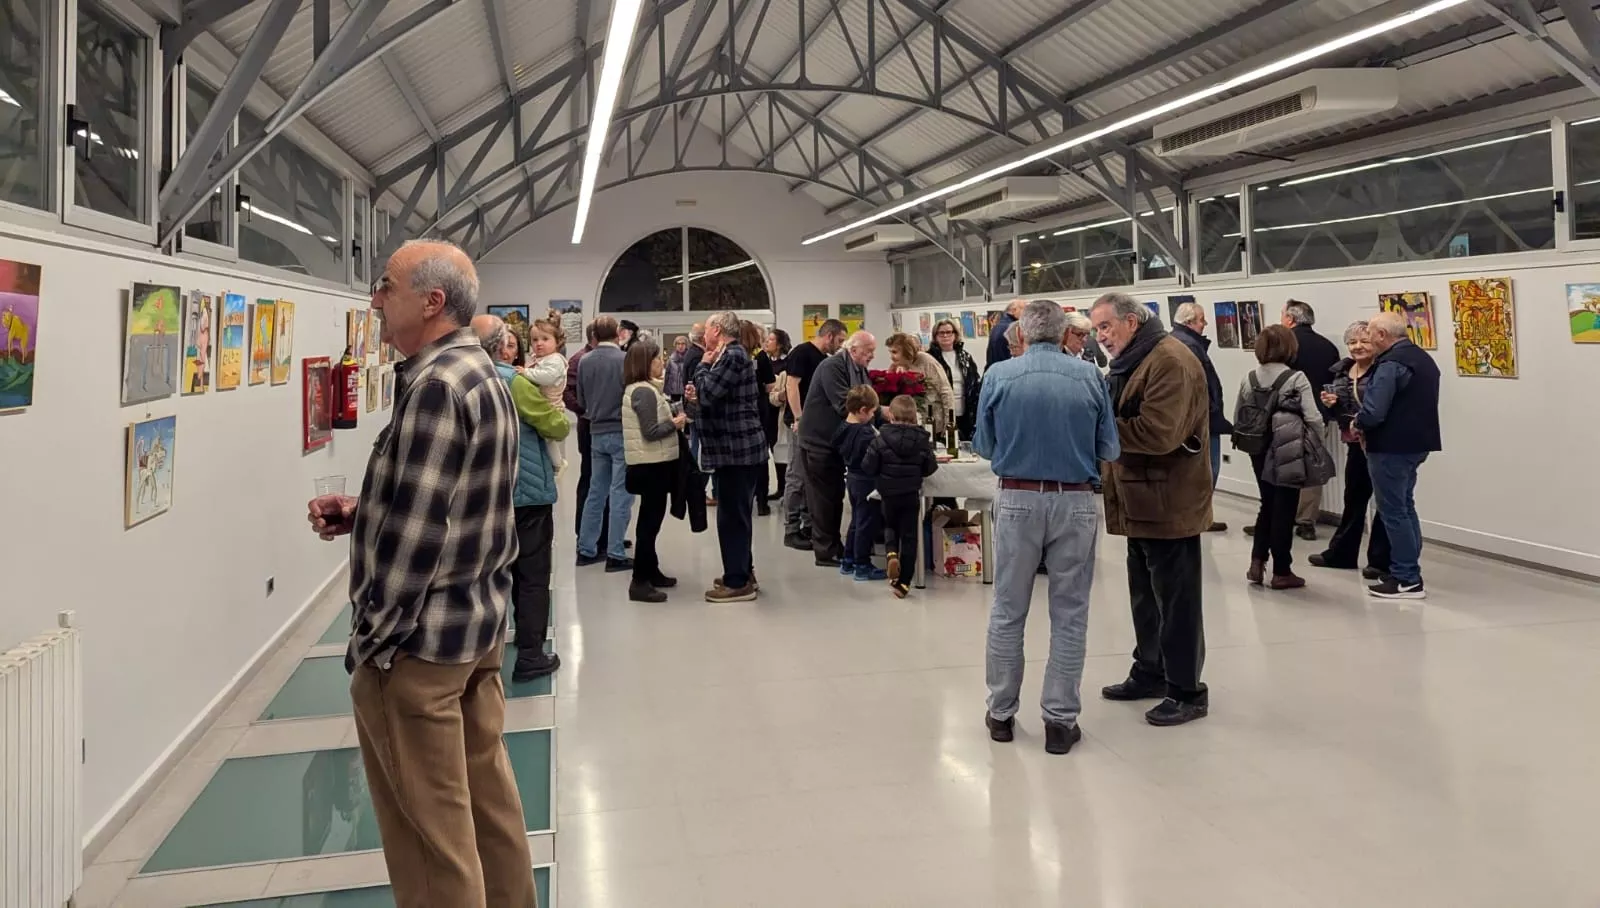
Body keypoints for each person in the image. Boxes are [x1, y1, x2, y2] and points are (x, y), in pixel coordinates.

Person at [307, 240, 536, 908]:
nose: (375, 300)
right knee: (490, 815)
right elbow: (452, 503)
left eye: (387, 286)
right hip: (477, 634)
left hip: (422, 652)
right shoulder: (482, 373)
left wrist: (375, 644)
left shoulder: (435, 387)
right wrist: (365, 509)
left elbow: (418, 543)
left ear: (432, 302)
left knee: (433, 849)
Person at [974, 300, 1119, 755]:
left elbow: (983, 444)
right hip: (1075, 499)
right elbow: (1109, 448)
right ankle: (1059, 720)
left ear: (1019, 336)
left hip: (1016, 496)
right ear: (1064, 335)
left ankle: (1000, 713)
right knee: (1070, 612)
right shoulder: (1091, 377)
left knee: (1007, 609)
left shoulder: (998, 376)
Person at [1090, 292, 1213, 728]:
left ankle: (1186, 690)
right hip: (1140, 500)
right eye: (1096, 328)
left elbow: (1158, 433)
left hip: (1168, 501)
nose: (1100, 336)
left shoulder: (1170, 361)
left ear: (1132, 321)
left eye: (1106, 326)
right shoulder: (1132, 361)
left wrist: (1095, 427)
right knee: (1145, 596)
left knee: (1177, 601)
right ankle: (1150, 671)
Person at [471, 314, 568, 683]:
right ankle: (531, 655)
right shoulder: (517, 382)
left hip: (483, 497)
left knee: (487, 577)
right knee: (531, 577)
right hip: (526, 495)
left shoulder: (468, 380)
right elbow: (556, 425)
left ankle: (483, 653)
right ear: (501, 348)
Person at [1355, 310, 1441, 600]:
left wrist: (1357, 423)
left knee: (1393, 511)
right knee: (1405, 506)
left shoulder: (1391, 364)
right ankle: (1407, 570)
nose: (1366, 339)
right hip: (1418, 444)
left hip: (1391, 446)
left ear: (1382, 335)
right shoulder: (1423, 359)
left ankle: (1407, 579)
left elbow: (1374, 411)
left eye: (1369, 334)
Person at [1234, 324, 1326, 590]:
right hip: (1288, 447)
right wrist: (1317, 440)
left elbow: (1239, 412)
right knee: (1285, 507)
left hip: (1258, 448)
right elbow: (1313, 417)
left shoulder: (1249, 377)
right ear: (1289, 348)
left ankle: (1256, 562)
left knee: (1267, 503)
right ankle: (1282, 571)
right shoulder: (1296, 378)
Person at [687, 311, 769, 602]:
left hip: (737, 451)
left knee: (732, 518)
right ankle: (742, 571)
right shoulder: (729, 355)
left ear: (717, 329)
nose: (703, 336)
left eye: (707, 329)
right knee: (737, 515)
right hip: (733, 450)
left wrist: (701, 367)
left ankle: (738, 582)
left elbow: (707, 393)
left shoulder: (731, 356)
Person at [1310, 321, 1392, 578]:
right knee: (1353, 500)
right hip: (1355, 443)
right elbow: (1341, 413)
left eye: (1363, 341)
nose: (1358, 347)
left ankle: (1380, 560)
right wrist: (1332, 404)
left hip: (1381, 444)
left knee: (1385, 503)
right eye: (1352, 342)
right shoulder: (1343, 372)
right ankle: (1342, 553)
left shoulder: (1383, 371)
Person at [797, 330, 876, 566]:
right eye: (868, 351)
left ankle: (836, 546)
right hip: (818, 441)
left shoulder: (858, 367)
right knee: (823, 498)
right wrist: (880, 413)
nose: (871, 356)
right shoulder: (832, 367)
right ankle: (826, 551)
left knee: (834, 495)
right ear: (853, 350)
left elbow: (867, 399)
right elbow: (847, 404)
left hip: (835, 442)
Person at [621, 336, 688, 603]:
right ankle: (639, 581)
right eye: (658, 359)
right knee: (648, 525)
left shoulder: (646, 389)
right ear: (645, 364)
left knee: (652, 522)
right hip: (650, 466)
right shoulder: (643, 392)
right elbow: (650, 432)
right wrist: (676, 423)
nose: (662, 362)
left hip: (652, 465)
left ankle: (651, 570)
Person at [860, 394, 937, 599]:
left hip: (888, 492)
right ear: (914, 417)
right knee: (910, 537)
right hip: (910, 494)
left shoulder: (880, 439)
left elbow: (868, 466)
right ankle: (903, 583)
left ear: (890, 416)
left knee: (890, 526)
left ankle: (891, 553)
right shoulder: (922, 441)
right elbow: (930, 467)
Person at [782, 318, 848, 550]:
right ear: (829, 335)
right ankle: (791, 529)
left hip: (814, 428)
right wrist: (799, 417)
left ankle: (808, 526)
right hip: (800, 424)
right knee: (797, 476)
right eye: (839, 340)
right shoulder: (802, 353)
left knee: (810, 480)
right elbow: (792, 386)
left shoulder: (825, 360)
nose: (840, 345)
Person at [576, 316, 633, 571]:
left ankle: (586, 549)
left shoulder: (584, 361)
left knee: (595, 491)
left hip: (595, 431)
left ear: (594, 335)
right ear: (619, 334)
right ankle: (615, 553)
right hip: (620, 430)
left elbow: (581, 397)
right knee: (621, 493)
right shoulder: (624, 360)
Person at [1171, 302, 1233, 532]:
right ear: (1189, 322)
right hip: (1202, 420)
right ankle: (1199, 516)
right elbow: (1202, 386)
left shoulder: (1174, 341)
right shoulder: (1190, 345)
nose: (1204, 325)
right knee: (1208, 469)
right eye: (1202, 320)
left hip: (1188, 419)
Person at [1283, 300, 1341, 541]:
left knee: (1284, 467)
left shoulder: (1286, 344)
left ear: (1290, 319)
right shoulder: (1328, 347)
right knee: (1312, 467)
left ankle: (1282, 517)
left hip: (1288, 415)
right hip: (1319, 415)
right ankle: (1307, 521)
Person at [834, 385, 888, 581]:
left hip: (852, 479)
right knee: (866, 523)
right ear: (863, 410)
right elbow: (875, 456)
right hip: (866, 481)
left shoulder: (842, 427)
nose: (874, 416)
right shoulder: (865, 433)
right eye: (873, 412)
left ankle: (848, 559)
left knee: (856, 521)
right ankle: (862, 564)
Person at [523, 317, 570, 474]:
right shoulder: (540, 359)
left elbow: (546, 377)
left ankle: (558, 464)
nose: (539, 343)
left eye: (545, 339)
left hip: (551, 408)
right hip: (542, 407)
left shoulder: (556, 360)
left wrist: (526, 372)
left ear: (557, 342)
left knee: (549, 440)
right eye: (534, 340)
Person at [886, 332, 956, 435]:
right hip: (913, 423)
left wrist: (949, 424)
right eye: (890, 352)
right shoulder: (898, 365)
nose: (891, 357)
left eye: (895, 352)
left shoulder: (926, 360)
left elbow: (946, 392)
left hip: (934, 424)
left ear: (906, 351)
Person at [744, 320, 779, 517]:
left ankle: (747, 500)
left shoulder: (732, 356)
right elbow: (770, 384)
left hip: (744, 411)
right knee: (761, 456)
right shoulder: (761, 356)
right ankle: (762, 502)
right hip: (760, 409)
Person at [928, 318, 981, 440]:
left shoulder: (965, 357)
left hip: (965, 411)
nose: (945, 335)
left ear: (955, 335)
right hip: (941, 412)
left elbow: (974, 383)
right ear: (935, 336)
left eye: (949, 332)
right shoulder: (930, 358)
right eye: (941, 333)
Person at [758, 328, 792, 507]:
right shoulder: (763, 360)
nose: (767, 342)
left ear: (779, 344)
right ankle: (775, 488)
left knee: (783, 451)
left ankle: (785, 488)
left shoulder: (788, 363)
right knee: (771, 449)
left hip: (780, 412)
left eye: (771, 340)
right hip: (765, 410)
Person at [985, 298, 1027, 369]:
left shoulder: (996, 327)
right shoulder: (1014, 328)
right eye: (1024, 309)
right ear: (1014, 310)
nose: (1026, 313)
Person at [664, 335, 689, 402]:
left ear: (686, 345)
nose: (680, 346)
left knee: (689, 409)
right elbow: (667, 374)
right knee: (674, 408)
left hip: (686, 389)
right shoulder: (671, 359)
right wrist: (666, 388)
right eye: (678, 344)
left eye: (683, 344)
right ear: (675, 345)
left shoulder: (689, 358)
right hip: (674, 389)